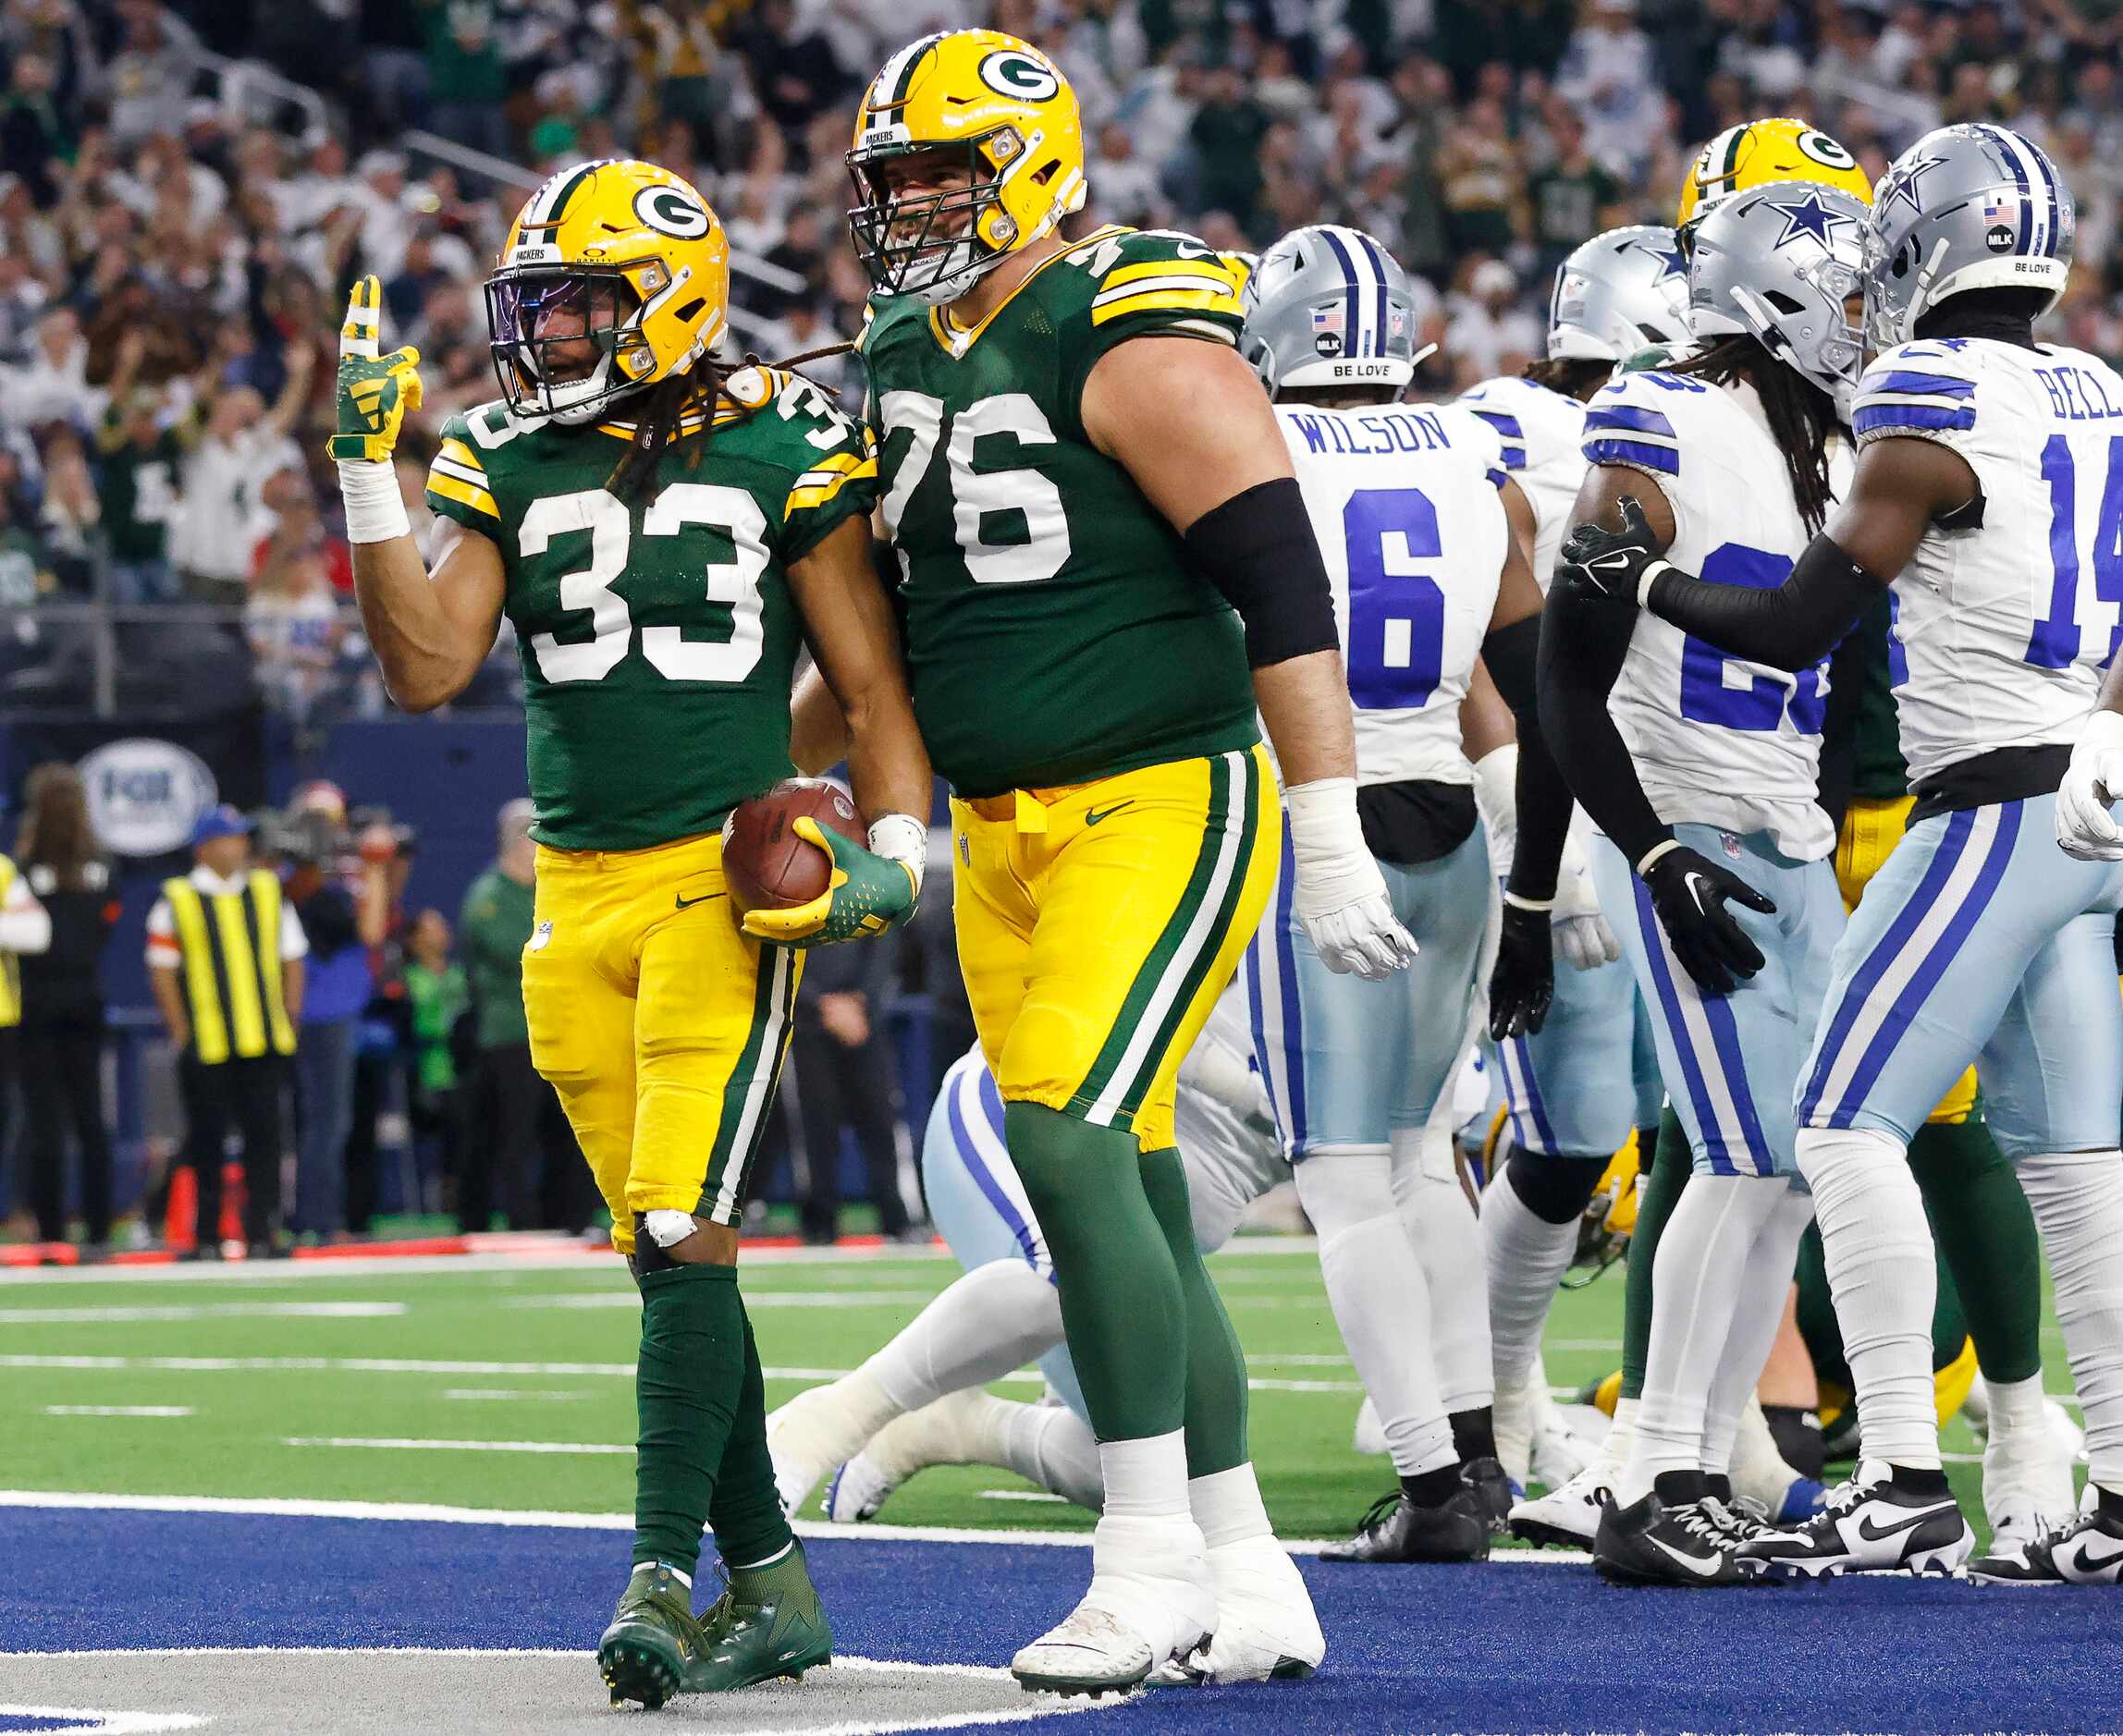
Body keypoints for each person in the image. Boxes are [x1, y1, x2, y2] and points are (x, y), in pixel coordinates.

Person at [838, 27, 1409, 1691]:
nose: (908, 208)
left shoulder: (1129, 322)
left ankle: (1142, 1556)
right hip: (1003, 826)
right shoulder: (901, 342)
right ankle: (1249, 1566)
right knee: (1136, 1186)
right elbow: (897, 610)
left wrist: (1330, 824)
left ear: (1030, 166)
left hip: (1159, 789)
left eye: (939, 174)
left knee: (1069, 1143)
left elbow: (1283, 579)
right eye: (893, 181)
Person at [333, 155, 932, 1705]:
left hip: (714, 887)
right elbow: (421, 668)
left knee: (682, 1228)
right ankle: (781, 1586)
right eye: (539, 305)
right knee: (667, 1266)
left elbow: (869, 683)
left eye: (582, 302)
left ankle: (661, 1574)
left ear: (665, 299)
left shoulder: (784, 440)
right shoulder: (501, 453)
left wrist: (894, 855)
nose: (549, 334)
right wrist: (365, 477)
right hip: (571, 898)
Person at [1576, 123, 2123, 1585]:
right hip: (2088, 802)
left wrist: (1657, 579)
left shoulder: (1928, 388)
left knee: (1832, 1130)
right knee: (2077, 1157)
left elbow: (1798, 623)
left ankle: (1899, 1474)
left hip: (1984, 807)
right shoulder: (2100, 389)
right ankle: (2116, 1486)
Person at [1526, 179, 1872, 1584]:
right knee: (1737, 1159)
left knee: (1788, 1169)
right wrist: (1645, 847)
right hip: (1690, 823)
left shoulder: (1833, 442)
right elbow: (1566, 666)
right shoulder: (1655, 418)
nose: (1865, 323)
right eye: (1846, 296)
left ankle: (1697, 1453)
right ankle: (1650, 1476)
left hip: (1784, 824)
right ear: (1772, 298)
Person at [1232, 223, 1579, 1563]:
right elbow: (1527, 682)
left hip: (1324, 820)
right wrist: (1545, 859)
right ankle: (1477, 1449)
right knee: (1423, 1149)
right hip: (1453, 830)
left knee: (1342, 1177)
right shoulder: (1470, 457)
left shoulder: (1261, 455)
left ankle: (1433, 1483)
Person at [1454, 224, 1688, 1503]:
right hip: (1535, 805)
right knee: (1574, 1124)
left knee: (1677, 1125)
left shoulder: (1692, 433)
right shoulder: (1504, 434)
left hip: (1644, 800)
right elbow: (1460, 624)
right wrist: (1517, 819)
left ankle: (1653, 1424)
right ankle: (1489, 1411)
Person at [769, 986, 1283, 1530]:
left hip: (1144, 1208)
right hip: (1027, 1111)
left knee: (1175, 1475)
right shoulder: (1309, 923)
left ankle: (961, 1428)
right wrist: (1262, 1098)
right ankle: (829, 1420)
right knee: (1082, 1270)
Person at [145, 805, 306, 1259]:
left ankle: (263, 1233)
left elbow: (292, 956)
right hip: (208, 1039)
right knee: (206, 1141)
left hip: (264, 1036)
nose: (239, 846)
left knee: (266, 1139)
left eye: (241, 838)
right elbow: (162, 971)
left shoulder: (268, 891)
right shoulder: (176, 898)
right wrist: (181, 1032)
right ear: (205, 848)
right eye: (229, 838)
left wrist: (289, 1016)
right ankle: (207, 1237)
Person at [15, 762, 114, 1254]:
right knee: (90, 1117)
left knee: (44, 1122)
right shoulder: (102, 867)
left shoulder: (24, 870)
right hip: (85, 996)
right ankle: (98, 1229)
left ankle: (52, 1231)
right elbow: (104, 926)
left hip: (36, 1002)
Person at [456, 798, 561, 1231]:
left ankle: (563, 1215)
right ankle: (520, 1219)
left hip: (558, 1027)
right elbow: (516, 952)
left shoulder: (551, 890)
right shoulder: (489, 896)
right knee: (513, 1133)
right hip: (509, 1033)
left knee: (563, 1133)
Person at [788, 915, 916, 1244]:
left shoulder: (865, 875)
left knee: (879, 1120)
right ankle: (820, 1222)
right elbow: (782, 947)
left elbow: (885, 942)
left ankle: (895, 1218)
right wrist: (821, 1003)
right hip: (809, 1025)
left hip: (864, 1023)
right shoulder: (793, 878)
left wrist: (862, 1001)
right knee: (817, 1126)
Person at [401, 907, 467, 1215]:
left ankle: (457, 1198)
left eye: (443, 926)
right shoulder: (409, 978)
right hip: (426, 1075)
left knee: (464, 1139)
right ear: (415, 940)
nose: (442, 933)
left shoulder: (460, 975)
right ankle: (429, 1201)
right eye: (432, 929)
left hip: (461, 1073)